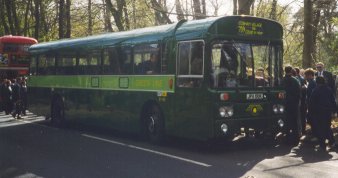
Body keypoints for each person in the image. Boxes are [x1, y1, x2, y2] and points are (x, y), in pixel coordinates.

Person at [308, 76, 336, 151]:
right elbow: (333, 100)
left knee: (319, 128)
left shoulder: (315, 90)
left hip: (318, 112)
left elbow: (311, 102)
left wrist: (310, 112)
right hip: (327, 111)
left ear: (317, 82)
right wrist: (334, 111)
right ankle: (332, 142)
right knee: (327, 126)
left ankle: (322, 144)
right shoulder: (328, 89)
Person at [282, 66, 301, 145]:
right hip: (294, 104)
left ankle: (286, 138)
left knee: (286, 120)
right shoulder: (295, 80)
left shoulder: (281, 80)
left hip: (284, 103)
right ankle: (295, 140)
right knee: (294, 121)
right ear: (291, 70)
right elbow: (299, 92)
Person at [295, 67, 307, 135]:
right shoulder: (302, 79)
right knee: (302, 116)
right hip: (302, 100)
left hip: (300, 101)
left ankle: (301, 130)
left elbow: (304, 89)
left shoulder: (300, 79)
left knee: (301, 116)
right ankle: (303, 130)